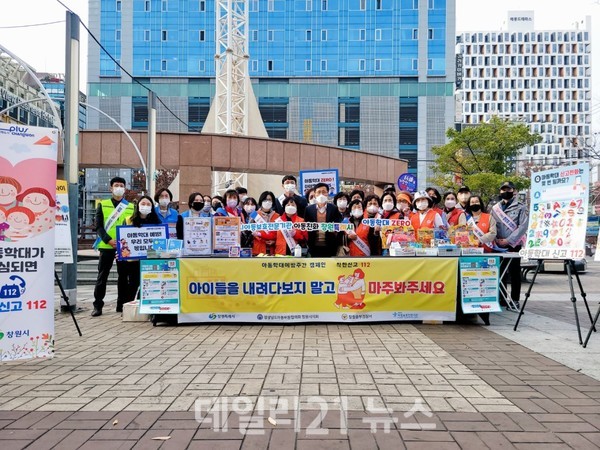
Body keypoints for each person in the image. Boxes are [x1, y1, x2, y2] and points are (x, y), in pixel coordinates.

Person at [92, 176, 135, 317]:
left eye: (121, 185)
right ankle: (98, 305)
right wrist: (109, 240)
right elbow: (98, 226)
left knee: (123, 277)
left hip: (123, 248)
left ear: (125, 188)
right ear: (111, 188)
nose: (119, 188)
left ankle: (121, 305)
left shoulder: (130, 206)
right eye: (116, 185)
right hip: (106, 246)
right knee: (102, 276)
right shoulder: (103, 205)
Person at [491, 181, 528, 309]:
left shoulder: (521, 207)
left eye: (508, 189)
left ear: (514, 191)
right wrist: (496, 239)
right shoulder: (495, 208)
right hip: (498, 244)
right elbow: (492, 225)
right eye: (503, 189)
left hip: (514, 244)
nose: (505, 192)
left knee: (514, 272)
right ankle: (501, 299)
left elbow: (523, 226)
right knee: (500, 272)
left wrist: (509, 240)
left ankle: (514, 299)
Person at [123, 195, 161, 306]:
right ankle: (128, 308)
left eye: (148, 204)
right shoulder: (129, 220)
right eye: (143, 204)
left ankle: (145, 307)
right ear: (138, 206)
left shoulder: (156, 222)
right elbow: (124, 239)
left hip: (150, 259)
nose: (145, 206)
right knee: (133, 284)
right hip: (133, 260)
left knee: (148, 283)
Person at [304, 183, 342, 257]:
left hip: (330, 245)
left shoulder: (333, 208)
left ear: (327, 193)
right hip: (313, 245)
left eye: (324, 192)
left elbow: (338, 225)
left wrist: (334, 229)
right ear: (315, 194)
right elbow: (305, 226)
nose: (321, 194)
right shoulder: (309, 209)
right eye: (319, 192)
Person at [251, 191, 279, 255]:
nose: (267, 202)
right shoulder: (254, 215)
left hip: (272, 250)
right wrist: (263, 240)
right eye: (265, 200)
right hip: (258, 249)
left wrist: (274, 241)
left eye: (269, 200)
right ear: (261, 201)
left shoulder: (277, 216)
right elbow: (251, 232)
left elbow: (279, 233)